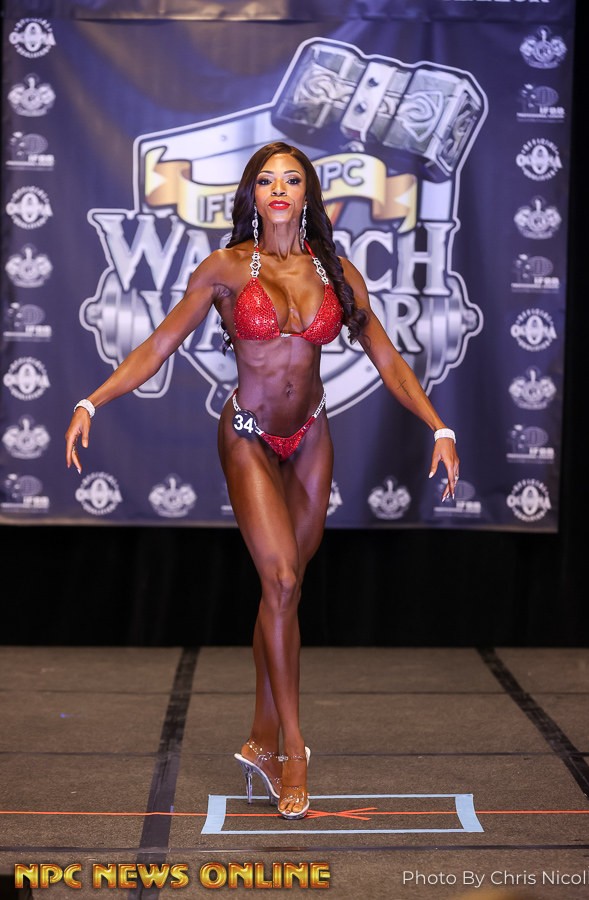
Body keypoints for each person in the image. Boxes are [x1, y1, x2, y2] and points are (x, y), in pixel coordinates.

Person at [65, 140, 459, 820]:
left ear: (307, 194)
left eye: (292, 179)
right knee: (278, 581)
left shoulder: (335, 271)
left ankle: (259, 736)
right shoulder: (224, 268)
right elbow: (158, 345)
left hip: (311, 438)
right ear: (252, 193)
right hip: (247, 434)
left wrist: (439, 427)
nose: (279, 188)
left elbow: (387, 358)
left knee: (287, 590)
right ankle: (292, 751)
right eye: (268, 179)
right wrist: (91, 402)